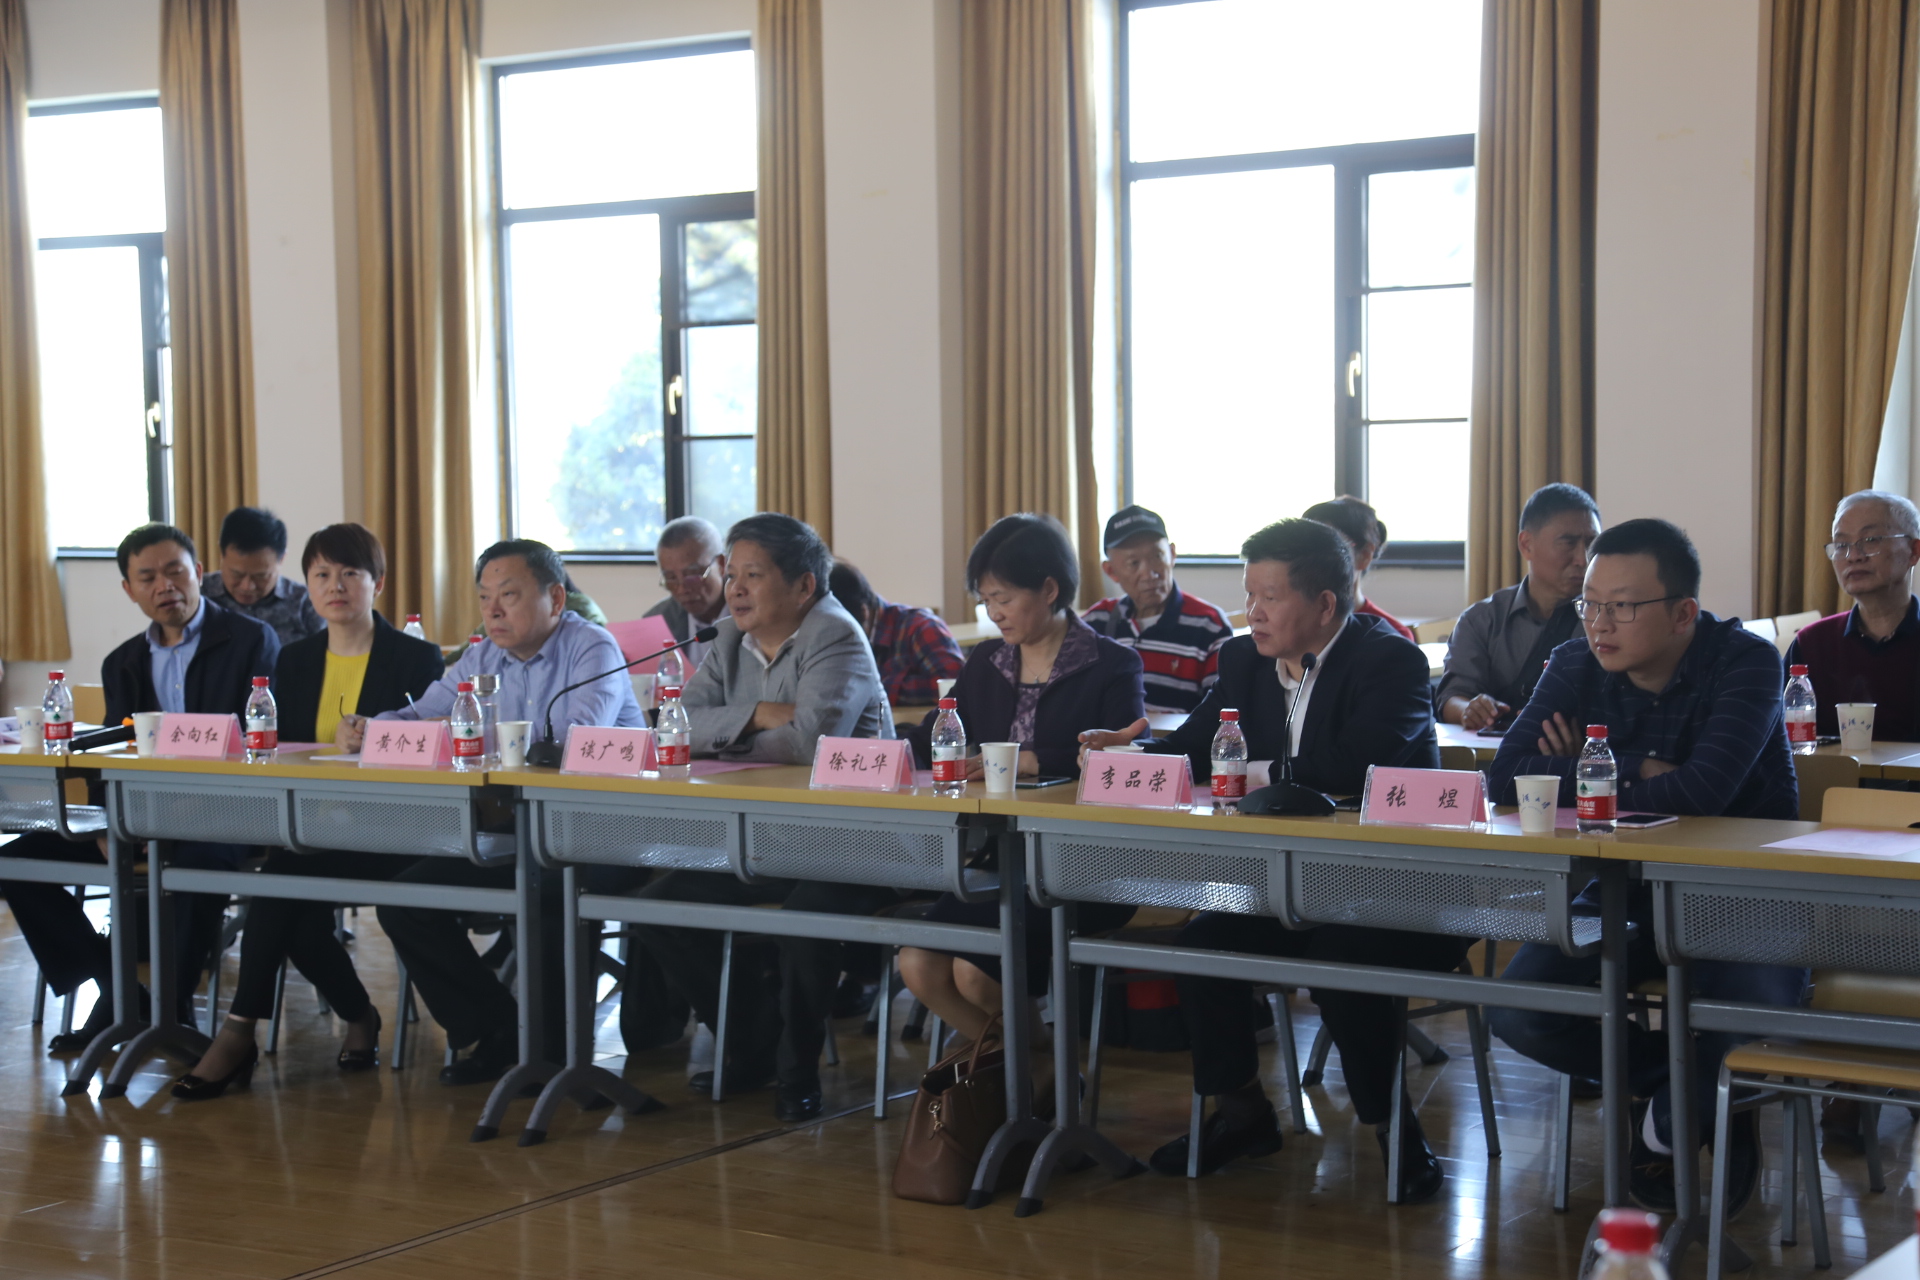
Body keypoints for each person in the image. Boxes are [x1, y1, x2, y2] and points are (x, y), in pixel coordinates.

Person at [1080, 518, 1452, 1202]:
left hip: (1392, 887)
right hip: (1289, 885)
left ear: (1325, 605)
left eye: (1270, 597)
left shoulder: (1390, 660)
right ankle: (1243, 1113)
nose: (1252, 610)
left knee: (1342, 963)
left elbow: (1355, 765)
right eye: (1249, 594)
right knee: (1202, 949)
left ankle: (1395, 1129)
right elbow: (1196, 748)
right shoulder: (1243, 660)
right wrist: (1126, 756)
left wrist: (1254, 772)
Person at [1485, 518, 1801, 1216]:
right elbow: (1505, 779)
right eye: (1590, 604)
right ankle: (1685, 1092)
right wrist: (1631, 768)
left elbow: (1702, 794)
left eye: (1622, 607)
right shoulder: (1575, 662)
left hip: (1744, 895)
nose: (1599, 624)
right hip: (1620, 891)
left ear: (1683, 613)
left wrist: (1582, 770)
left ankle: (1696, 1106)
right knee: (1519, 1011)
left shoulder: (1746, 661)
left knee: (1752, 1019)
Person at [633, 513, 893, 1123]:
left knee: (804, 920)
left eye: (753, 575)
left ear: (803, 586)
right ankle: (752, 1046)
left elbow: (808, 742)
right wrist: (758, 714)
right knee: (660, 909)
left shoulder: (836, 635)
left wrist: (727, 731)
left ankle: (797, 1069)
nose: (735, 589)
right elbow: (674, 727)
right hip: (768, 839)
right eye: (731, 575)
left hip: (857, 842)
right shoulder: (728, 639)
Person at [171, 523, 445, 1099]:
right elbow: (280, 753)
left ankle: (241, 1033)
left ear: (378, 583)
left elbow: (431, 748)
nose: (335, 586)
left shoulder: (417, 659)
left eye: (350, 573)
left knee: (280, 888)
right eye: (321, 574)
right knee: (287, 894)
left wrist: (371, 741)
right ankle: (353, 1017)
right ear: (308, 585)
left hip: (394, 831)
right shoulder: (293, 661)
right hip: (310, 828)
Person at [359, 540, 645, 1087]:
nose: (492, 611)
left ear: (555, 598)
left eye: (508, 596)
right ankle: (497, 1031)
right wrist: (374, 728)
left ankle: (555, 1061)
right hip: (521, 831)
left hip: (608, 832)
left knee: (550, 892)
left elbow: (572, 740)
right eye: (484, 597)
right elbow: (421, 715)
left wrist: (467, 735)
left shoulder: (593, 648)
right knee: (404, 902)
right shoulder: (482, 657)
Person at [0, 523, 280, 1052]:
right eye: (147, 577)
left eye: (175, 571)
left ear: (199, 573)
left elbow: (257, 740)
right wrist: (107, 824)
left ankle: (167, 1013)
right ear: (129, 590)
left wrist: (170, 818)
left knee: (194, 865)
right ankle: (119, 992)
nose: (164, 585)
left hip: (227, 812)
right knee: (17, 861)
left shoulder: (250, 640)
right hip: (139, 816)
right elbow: (111, 756)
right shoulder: (123, 661)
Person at [898, 514, 1147, 1076]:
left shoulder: (1112, 664)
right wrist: (878, 751)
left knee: (974, 973)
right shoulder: (988, 661)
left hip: (1082, 861)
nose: (994, 613)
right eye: (986, 600)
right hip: (1000, 858)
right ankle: (1040, 1078)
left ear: (1050, 589)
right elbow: (939, 733)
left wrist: (1036, 759)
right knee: (917, 963)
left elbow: (1127, 757)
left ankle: (1031, 1087)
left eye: (1005, 598)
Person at [1438, 483, 1603, 729]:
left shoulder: (1606, 619)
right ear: (1526, 544)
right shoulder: (1482, 619)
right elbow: (1452, 697)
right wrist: (1471, 710)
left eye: (1591, 543)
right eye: (1568, 543)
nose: (1583, 558)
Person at [1785, 489, 1920, 741]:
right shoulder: (1812, 643)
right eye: (1842, 545)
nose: (1854, 556)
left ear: (1913, 551)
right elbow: (1779, 742)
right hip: (1832, 770)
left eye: (1871, 540)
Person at [1080, 504, 1234, 715]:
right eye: (1134, 563)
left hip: (1179, 737)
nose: (1149, 574)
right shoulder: (1096, 623)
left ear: (1172, 554)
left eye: (1157, 556)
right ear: (1111, 571)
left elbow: (1220, 713)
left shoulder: (1209, 625)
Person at [827, 558, 964, 707]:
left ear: (864, 612)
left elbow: (953, 686)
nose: (835, 640)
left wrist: (874, 690)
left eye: (839, 631)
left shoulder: (919, 627)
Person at [200, 506, 324, 644]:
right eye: (237, 574)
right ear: (222, 555)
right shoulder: (199, 594)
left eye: (261, 576)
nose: (247, 586)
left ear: (282, 559)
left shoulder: (306, 603)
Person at [1303, 496, 1414, 641]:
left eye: (1326, 547)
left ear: (1365, 555)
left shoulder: (1392, 636)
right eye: (1305, 547)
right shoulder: (1288, 622)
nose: (1310, 559)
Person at [645, 515, 730, 670]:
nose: (682, 589)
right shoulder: (657, 622)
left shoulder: (752, 613)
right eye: (671, 578)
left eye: (692, 574)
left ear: (721, 564)